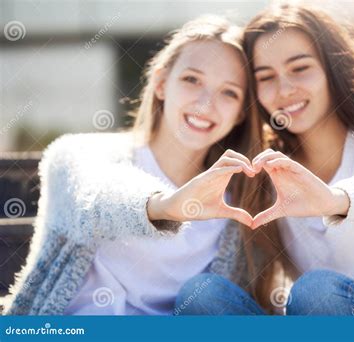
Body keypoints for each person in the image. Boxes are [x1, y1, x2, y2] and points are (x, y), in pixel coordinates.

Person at [175, 1, 354, 315]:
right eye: (266, 76)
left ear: (333, 69)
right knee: (203, 294)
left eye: (300, 68)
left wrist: (333, 199)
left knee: (318, 291)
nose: (285, 89)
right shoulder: (269, 171)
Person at [3, 15, 263, 315]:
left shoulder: (237, 209)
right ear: (162, 83)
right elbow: (93, 198)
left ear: (241, 113)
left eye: (229, 92)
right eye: (192, 79)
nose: (206, 103)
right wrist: (165, 206)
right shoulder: (82, 154)